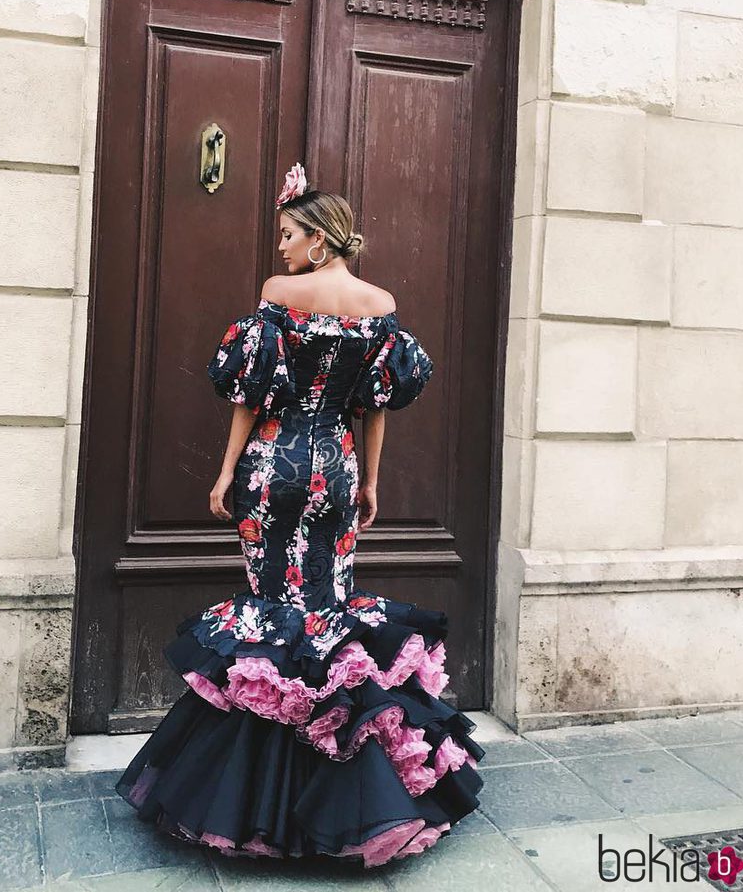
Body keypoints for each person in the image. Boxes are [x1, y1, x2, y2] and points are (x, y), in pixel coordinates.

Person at [115, 162, 485, 865]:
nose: (279, 247)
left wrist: (227, 470)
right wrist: (370, 481)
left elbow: (249, 395)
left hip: (272, 466)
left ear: (319, 237)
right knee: (328, 610)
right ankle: (347, 796)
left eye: (287, 233)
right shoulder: (379, 302)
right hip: (337, 470)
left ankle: (254, 799)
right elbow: (375, 404)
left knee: (270, 610)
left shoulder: (278, 295)